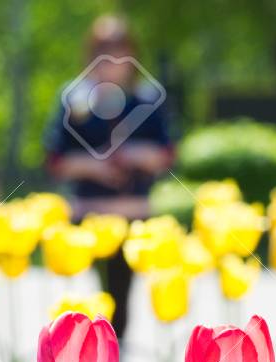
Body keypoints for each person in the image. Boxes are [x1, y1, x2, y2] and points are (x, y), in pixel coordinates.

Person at [45, 15, 173, 340]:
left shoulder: (147, 99)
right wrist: (96, 164)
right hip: (87, 215)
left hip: (131, 214)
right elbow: (56, 159)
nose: (112, 59)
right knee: (82, 300)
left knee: (122, 300)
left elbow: (167, 153)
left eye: (119, 49)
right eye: (103, 49)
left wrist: (133, 155)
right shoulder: (74, 100)